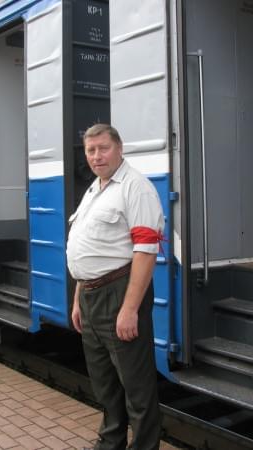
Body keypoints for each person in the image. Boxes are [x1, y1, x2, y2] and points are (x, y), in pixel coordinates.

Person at [67, 124, 164, 449]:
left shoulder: (136, 188)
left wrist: (130, 308)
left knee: (137, 387)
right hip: (92, 296)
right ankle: (110, 444)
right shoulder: (95, 189)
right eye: (90, 150)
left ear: (119, 148)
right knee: (105, 384)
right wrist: (79, 299)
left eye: (103, 148)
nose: (97, 156)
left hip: (119, 294)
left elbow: (146, 251)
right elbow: (90, 248)